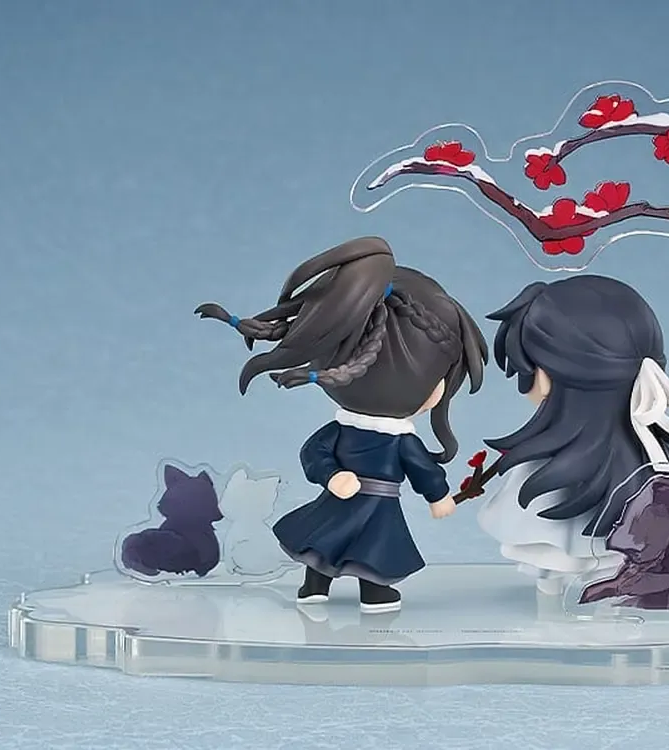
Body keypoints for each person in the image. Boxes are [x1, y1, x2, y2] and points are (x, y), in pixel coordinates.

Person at [196, 236, 487, 613]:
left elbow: (420, 469)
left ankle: (358, 590)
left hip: (369, 504)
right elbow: (318, 453)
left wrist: (437, 495)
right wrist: (333, 476)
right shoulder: (387, 437)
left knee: (356, 546)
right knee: (345, 545)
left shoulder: (394, 437)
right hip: (357, 501)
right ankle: (325, 586)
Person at [476, 275, 669, 596]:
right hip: (627, 556)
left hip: (585, 556)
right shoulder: (651, 460)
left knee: (554, 576)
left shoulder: (545, 470)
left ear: (545, 377)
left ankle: (560, 603)